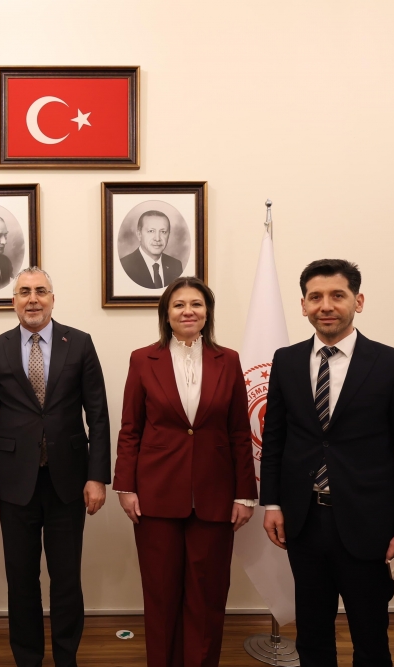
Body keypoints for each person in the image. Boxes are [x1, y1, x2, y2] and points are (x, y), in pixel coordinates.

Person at [260, 259, 394, 667]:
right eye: (315, 297)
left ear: (358, 301)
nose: (326, 305)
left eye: (337, 295)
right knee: (312, 638)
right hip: (304, 522)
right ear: (303, 305)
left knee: (371, 642)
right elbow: (276, 439)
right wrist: (273, 503)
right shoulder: (286, 361)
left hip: (369, 525)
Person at [113, 276, 258, 667]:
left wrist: (245, 493)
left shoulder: (228, 359)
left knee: (207, 595)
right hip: (155, 494)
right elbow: (131, 428)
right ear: (166, 313)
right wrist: (125, 486)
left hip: (215, 495)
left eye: (196, 304)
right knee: (161, 595)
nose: (188, 311)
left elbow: (238, 431)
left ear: (207, 312)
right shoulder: (143, 359)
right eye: (179, 304)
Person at [0, 267, 110, 667]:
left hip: (68, 481)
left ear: (52, 298)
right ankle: (27, 658)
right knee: (21, 579)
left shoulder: (79, 343)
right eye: (24, 292)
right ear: (13, 301)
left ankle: (66, 657)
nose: (33, 299)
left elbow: (98, 415)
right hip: (14, 483)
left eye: (40, 291)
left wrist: (97, 476)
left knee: (66, 578)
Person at [120, 210, 184, 289]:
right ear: (139, 234)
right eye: (151, 231)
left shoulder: (176, 265)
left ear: (168, 235)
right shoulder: (124, 266)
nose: (157, 238)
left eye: (163, 232)